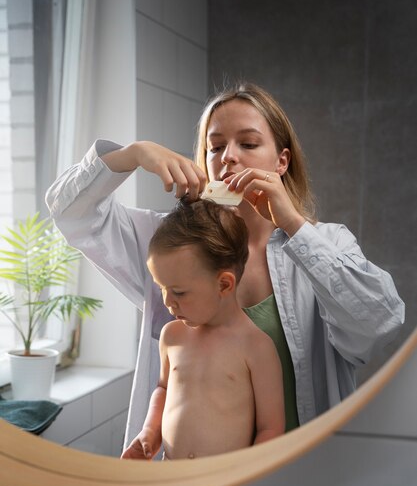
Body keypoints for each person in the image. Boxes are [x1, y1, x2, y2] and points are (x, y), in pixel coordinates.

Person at [45, 82, 405, 449]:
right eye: (215, 147)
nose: (228, 156)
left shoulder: (328, 243)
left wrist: (294, 225)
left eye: (248, 143)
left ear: (282, 161)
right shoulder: (166, 243)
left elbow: (379, 324)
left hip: (298, 480)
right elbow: (69, 212)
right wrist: (132, 155)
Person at [122, 199, 285, 460]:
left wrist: (247, 475)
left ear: (223, 285)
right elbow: (163, 389)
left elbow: (271, 427)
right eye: (162, 288)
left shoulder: (256, 347)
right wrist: (150, 432)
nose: (167, 301)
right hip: (171, 477)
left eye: (178, 292)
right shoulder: (172, 336)